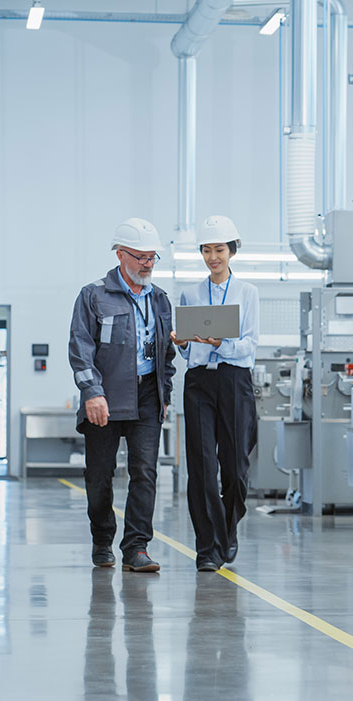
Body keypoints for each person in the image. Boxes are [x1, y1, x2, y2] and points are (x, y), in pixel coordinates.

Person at [69, 218, 176, 573]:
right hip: (106, 395)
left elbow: (166, 355)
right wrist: (92, 392)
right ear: (120, 255)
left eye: (152, 257)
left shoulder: (160, 299)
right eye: (140, 257)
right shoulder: (93, 295)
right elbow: (80, 349)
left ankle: (136, 547)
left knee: (145, 472)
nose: (147, 264)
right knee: (100, 474)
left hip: (148, 397)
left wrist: (164, 393)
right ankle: (102, 540)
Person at [171, 215, 260, 572]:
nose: (213, 257)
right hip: (199, 383)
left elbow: (250, 344)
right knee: (202, 466)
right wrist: (182, 344)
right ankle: (208, 548)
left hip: (235, 380)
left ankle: (228, 528)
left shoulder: (247, 293)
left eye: (219, 250)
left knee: (235, 468)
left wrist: (222, 343)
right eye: (206, 250)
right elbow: (188, 350)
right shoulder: (190, 293)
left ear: (232, 251)